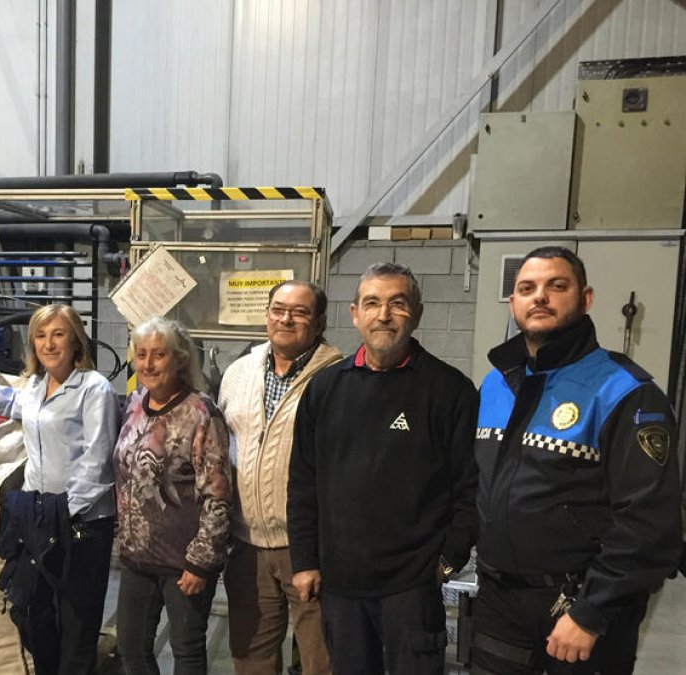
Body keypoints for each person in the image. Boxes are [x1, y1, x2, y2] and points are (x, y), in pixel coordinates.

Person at [472, 246, 682, 675]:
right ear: (513, 303)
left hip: (580, 606)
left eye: (557, 286)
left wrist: (591, 611)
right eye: (527, 288)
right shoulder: (495, 384)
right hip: (499, 601)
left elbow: (649, 522)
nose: (540, 297)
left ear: (585, 298)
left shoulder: (626, 393)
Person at [287, 261, 478, 675]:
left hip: (412, 588)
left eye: (398, 303)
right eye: (371, 303)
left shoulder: (450, 391)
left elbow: (469, 487)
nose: (384, 315)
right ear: (354, 313)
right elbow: (303, 481)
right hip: (341, 586)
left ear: (418, 313)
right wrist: (304, 561)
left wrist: (447, 560)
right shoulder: (325, 388)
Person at [0, 303, 119, 675]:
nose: (49, 343)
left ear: (76, 340)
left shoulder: (95, 389)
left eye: (58, 334)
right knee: (32, 613)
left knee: (77, 623)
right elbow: (20, 405)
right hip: (41, 517)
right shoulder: (35, 385)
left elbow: (97, 464)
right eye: (41, 336)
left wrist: (59, 514)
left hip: (82, 524)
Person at [218, 280, 341, 675]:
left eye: (300, 312)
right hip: (246, 545)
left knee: (320, 660)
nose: (285, 319)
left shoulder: (339, 377)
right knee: (251, 657)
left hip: (311, 548)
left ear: (319, 322)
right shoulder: (239, 372)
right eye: (277, 309)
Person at [113, 317, 232, 675]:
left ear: (179, 359)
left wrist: (199, 562)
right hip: (136, 557)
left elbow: (217, 495)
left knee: (187, 653)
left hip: (184, 563)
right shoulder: (135, 406)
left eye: (159, 355)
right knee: (131, 651)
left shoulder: (201, 414)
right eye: (142, 354)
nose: (148, 364)